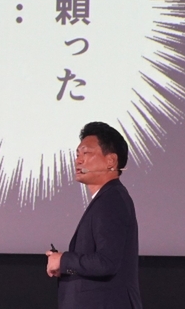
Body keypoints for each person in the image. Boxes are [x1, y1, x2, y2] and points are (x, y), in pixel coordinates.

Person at [45, 121, 142, 309]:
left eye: (86, 153)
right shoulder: (108, 198)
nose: (78, 160)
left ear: (111, 161)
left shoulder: (111, 199)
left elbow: (107, 261)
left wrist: (63, 260)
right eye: (77, 154)